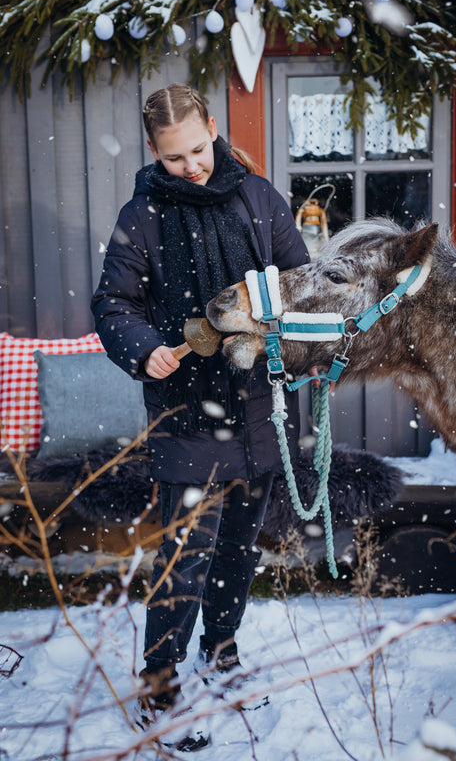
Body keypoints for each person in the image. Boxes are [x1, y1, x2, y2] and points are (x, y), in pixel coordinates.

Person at [91, 84, 309, 745]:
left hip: (258, 412)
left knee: (238, 550)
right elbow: (113, 307)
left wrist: (285, 325)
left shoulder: (259, 198)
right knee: (182, 557)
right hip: (186, 417)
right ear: (154, 153)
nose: (192, 165)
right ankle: (160, 686)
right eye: (175, 157)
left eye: (197, 148)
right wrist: (144, 349)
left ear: (213, 127)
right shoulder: (143, 215)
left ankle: (220, 652)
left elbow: (298, 280)